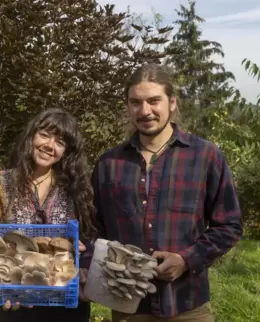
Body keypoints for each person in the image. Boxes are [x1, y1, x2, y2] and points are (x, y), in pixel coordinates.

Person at [85, 64, 243, 321]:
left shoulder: (205, 156)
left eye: (153, 101)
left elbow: (230, 225)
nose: (145, 111)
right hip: (128, 307)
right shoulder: (109, 164)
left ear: (172, 102)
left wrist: (186, 259)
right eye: (135, 102)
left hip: (187, 305)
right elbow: (93, 228)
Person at [0, 108, 95, 322]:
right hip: (17, 301)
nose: (50, 145)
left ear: (66, 152)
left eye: (60, 142)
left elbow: (89, 239)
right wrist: (1, 289)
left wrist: (82, 250)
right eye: (44, 134)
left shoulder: (75, 189)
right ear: (31, 136)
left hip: (66, 303)